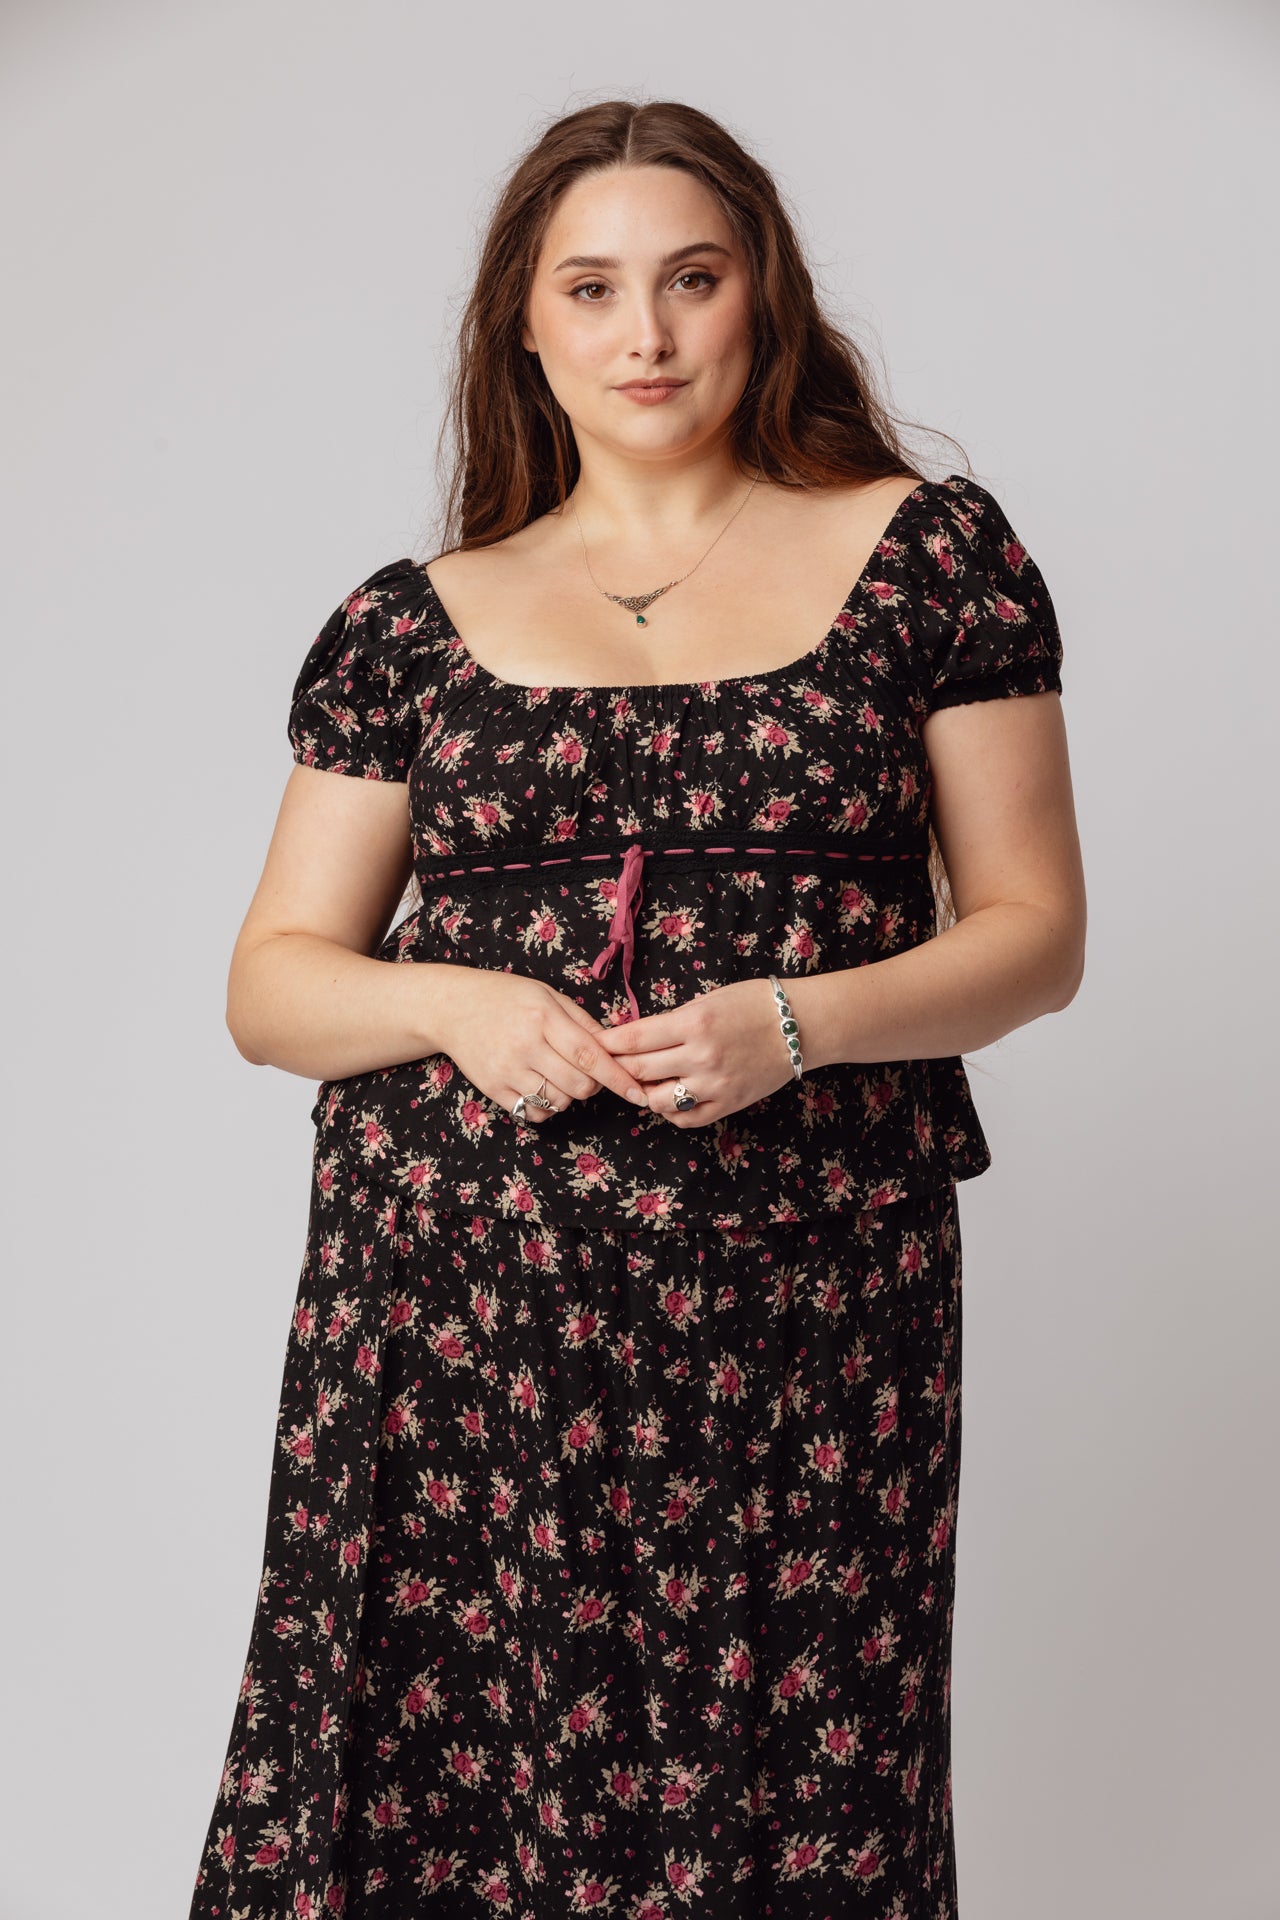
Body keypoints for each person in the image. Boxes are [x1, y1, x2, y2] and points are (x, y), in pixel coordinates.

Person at [188, 98, 1086, 1920]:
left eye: (693, 276)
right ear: (525, 327)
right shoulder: (410, 624)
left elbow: (1035, 935)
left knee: (801, 1793)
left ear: (766, 296)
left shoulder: (931, 559)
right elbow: (272, 986)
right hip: (458, 1315)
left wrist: (796, 1022)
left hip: (810, 1307)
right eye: (591, 289)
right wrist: (458, 1004)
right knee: (446, 1793)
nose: (647, 333)